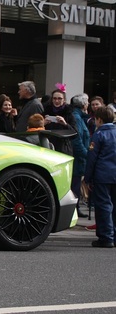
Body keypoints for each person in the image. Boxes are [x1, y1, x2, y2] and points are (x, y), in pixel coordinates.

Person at [84, 106, 116, 248]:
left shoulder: (99, 134)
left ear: (99, 120)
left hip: (103, 175)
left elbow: (92, 157)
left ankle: (106, 236)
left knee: (103, 206)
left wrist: (88, 177)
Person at [70, 93, 91, 218]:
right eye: (87, 102)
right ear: (83, 104)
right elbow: (77, 139)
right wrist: (85, 154)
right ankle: (74, 210)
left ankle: (76, 208)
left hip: (80, 157)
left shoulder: (79, 117)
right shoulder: (77, 118)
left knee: (76, 184)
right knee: (75, 184)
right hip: (78, 157)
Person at [42, 88, 77, 155]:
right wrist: (43, 124)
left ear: (64, 100)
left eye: (59, 98)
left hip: (63, 149)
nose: (57, 101)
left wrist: (65, 124)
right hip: (47, 147)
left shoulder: (69, 114)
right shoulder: (45, 112)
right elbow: (34, 130)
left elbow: (75, 134)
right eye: (54, 98)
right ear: (52, 100)